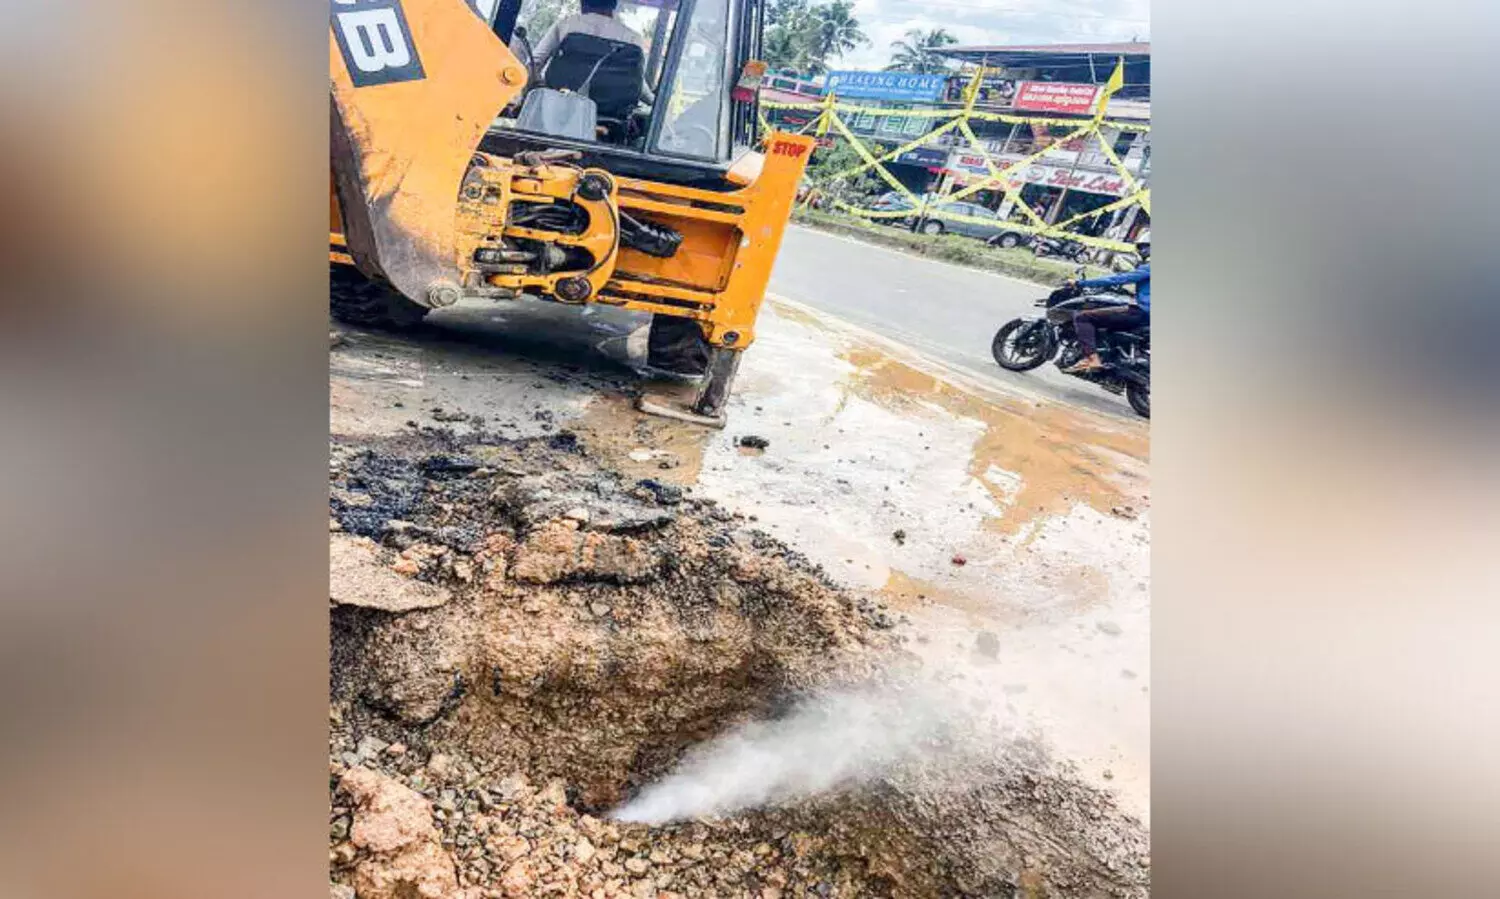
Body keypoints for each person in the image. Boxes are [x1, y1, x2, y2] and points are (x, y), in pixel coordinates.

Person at [529, 0, 651, 105]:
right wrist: (655, 102)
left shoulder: (566, 24)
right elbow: (638, 85)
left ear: (583, 2)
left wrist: (523, 99)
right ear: (614, 4)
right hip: (610, 119)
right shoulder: (633, 38)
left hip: (558, 107)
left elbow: (535, 63)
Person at [1061, 238, 1150, 374]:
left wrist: (1080, 283)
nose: (1142, 251)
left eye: (1144, 248)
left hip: (1142, 312)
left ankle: (1092, 358)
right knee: (1111, 326)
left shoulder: (1149, 268)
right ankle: (1112, 364)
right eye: (1141, 248)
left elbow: (1117, 279)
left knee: (1083, 317)